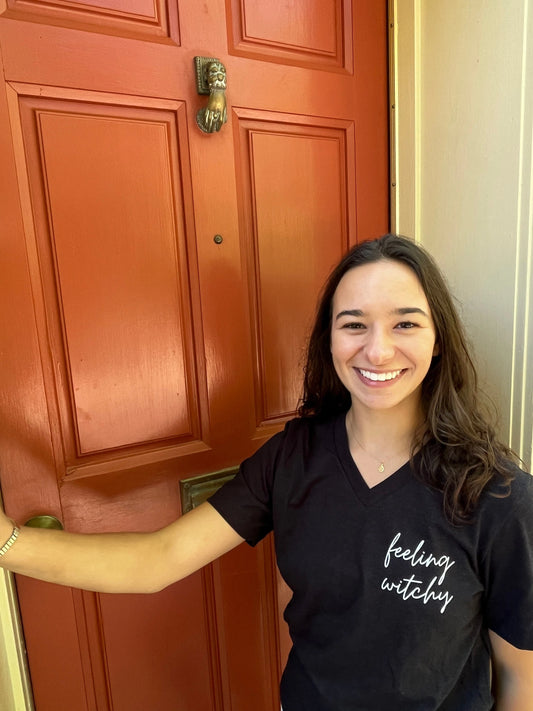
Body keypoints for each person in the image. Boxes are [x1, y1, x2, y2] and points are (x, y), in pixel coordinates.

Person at [0, 234, 532, 710]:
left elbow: (519, 675)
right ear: (329, 340)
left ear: (438, 339)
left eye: (405, 324)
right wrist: (8, 544)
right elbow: (156, 560)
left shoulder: (498, 493)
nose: (378, 348)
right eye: (354, 325)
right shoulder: (292, 458)